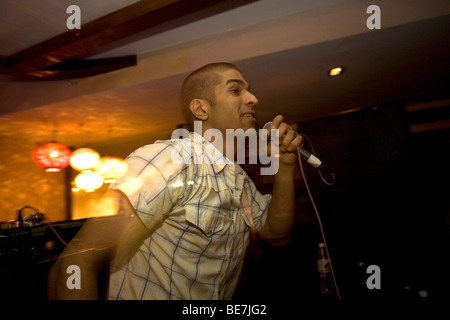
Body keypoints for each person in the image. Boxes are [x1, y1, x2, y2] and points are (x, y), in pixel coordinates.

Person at [47, 62, 303, 300]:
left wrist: (284, 167)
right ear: (201, 109)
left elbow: (275, 230)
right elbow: (76, 263)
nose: (253, 99)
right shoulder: (168, 160)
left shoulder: (237, 178)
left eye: (249, 91)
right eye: (236, 90)